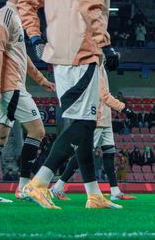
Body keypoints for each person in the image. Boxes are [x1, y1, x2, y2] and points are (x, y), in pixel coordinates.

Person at [17, 0, 120, 210]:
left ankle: (94, 194)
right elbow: (91, 2)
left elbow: (26, 1)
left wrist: (36, 39)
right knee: (84, 125)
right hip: (82, 49)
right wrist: (105, 43)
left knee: (81, 123)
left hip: (59, 54)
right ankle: (39, 182)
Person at [0, 0, 56, 203]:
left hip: (7, 87)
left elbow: (23, 57)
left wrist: (41, 80)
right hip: (10, 88)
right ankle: (24, 187)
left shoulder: (15, 18)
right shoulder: (6, 15)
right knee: (38, 131)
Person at [51, 64, 135, 204]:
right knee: (83, 153)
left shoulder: (101, 67)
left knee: (109, 154)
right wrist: (124, 109)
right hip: (97, 118)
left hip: (106, 119)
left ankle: (115, 192)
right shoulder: (95, 67)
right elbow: (104, 95)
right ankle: (58, 186)